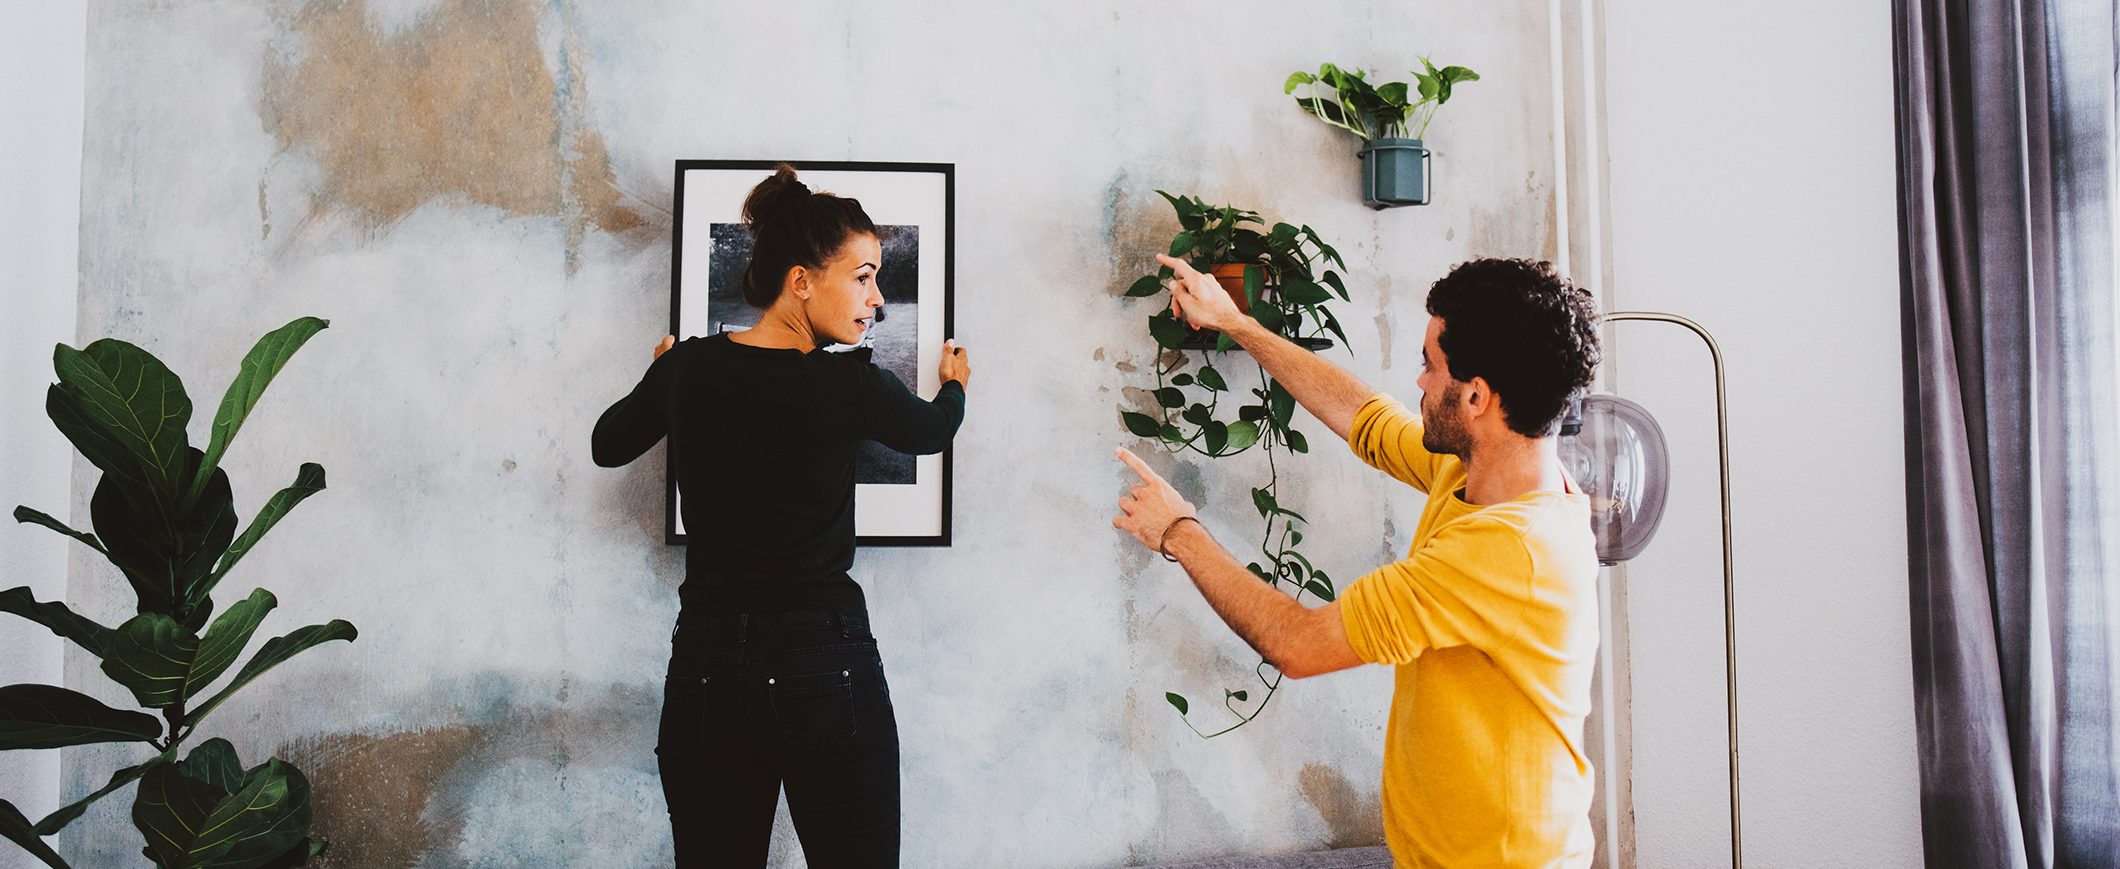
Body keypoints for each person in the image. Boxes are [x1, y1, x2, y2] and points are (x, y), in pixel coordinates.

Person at [1112, 254, 1602, 868]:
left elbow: (1298, 644)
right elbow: (1364, 418)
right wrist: (1236, 324)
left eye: (1431, 366)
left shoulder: (1508, 551)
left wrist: (1177, 531)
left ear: (1477, 396)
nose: (1419, 382)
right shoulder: (1482, 474)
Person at [593, 164, 970, 868]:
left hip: (707, 663)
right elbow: (930, 432)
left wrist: (663, 376)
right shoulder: (851, 381)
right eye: (863, 277)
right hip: (821, 658)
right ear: (801, 281)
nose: (878, 299)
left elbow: (607, 445)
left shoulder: (687, 370)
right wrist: (955, 387)